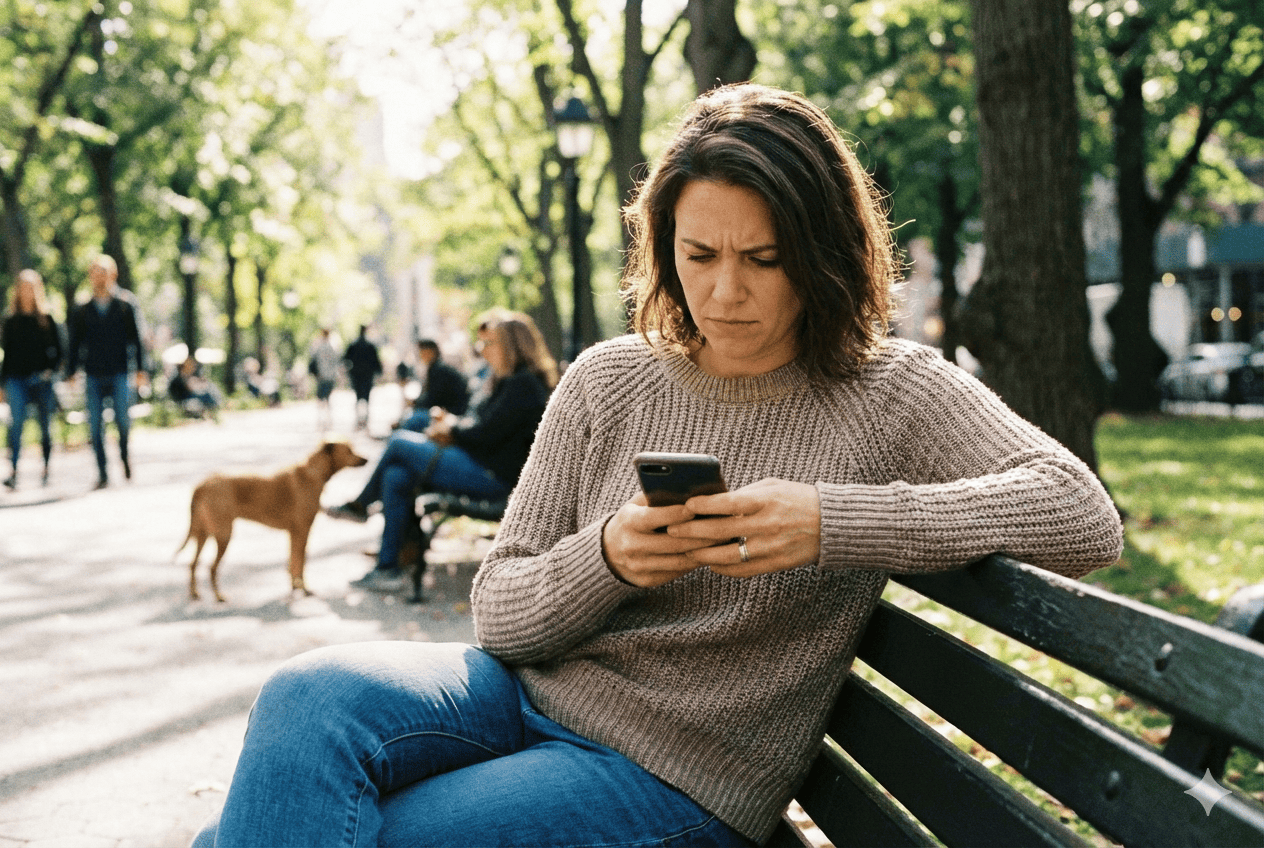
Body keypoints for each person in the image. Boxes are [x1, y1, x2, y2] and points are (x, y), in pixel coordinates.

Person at [194, 84, 1123, 847]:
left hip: (675, 775)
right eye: (699, 255)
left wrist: (830, 520)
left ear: (826, 254)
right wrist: (610, 557)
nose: (725, 290)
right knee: (306, 699)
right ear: (663, 249)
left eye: (764, 258)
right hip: (518, 700)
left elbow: (1081, 514)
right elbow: (502, 608)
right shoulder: (608, 379)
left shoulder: (892, 388)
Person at [325, 315, 558, 592]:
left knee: (400, 442)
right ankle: (388, 568)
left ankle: (362, 505)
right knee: (395, 475)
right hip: (479, 463)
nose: (482, 349)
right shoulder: (506, 381)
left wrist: (451, 430)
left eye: (490, 343)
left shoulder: (523, 384)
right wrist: (450, 427)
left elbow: (485, 434)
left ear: (512, 346)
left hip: (493, 477)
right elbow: (481, 426)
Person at [65, 254, 147, 489]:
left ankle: (124, 456)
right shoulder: (83, 308)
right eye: (95, 272)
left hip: (120, 371)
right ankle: (102, 472)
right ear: (90, 276)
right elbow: (75, 343)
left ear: (113, 274)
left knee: (123, 421)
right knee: (95, 425)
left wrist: (141, 369)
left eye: (104, 272)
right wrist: (71, 371)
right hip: (93, 373)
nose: (99, 277)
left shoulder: (125, 304)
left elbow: (137, 339)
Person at [1, 269, 63, 489]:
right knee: (15, 424)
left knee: (45, 427)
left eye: (30, 286)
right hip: (16, 379)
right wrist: (2, 385)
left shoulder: (47, 319)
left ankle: (46, 468)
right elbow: (6, 355)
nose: (26, 291)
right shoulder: (10, 321)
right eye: (22, 286)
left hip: (42, 381)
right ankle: (14, 470)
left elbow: (59, 351)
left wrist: (50, 371)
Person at [396, 337, 470, 433]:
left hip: (454, 414)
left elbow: (432, 399)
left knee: (415, 418)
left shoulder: (438, 369)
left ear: (431, 351)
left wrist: (414, 403)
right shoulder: (437, 367)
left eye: (421, 351)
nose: (419, 355)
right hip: (451, 411)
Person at [343, 324, 382, 430]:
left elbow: (345, 358)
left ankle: (358, 419)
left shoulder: (353, 344)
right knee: (366, 397)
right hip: (367, 375)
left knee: (358, 397)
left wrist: (349, 370)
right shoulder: (370, 345)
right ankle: (365, 419)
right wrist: (378, 372)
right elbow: (376, 360)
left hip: (356, 374)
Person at [308, 328, 340, 431]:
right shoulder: (332, 347)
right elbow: (336, 362)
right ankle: (328, 419)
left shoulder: (318, 347)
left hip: (321, 376)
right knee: (328, 398)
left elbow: (313, 358)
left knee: (320, 398)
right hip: (330, 376)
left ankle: (320, 419)